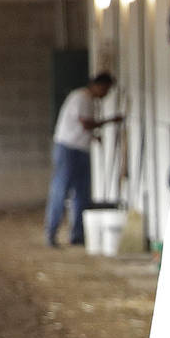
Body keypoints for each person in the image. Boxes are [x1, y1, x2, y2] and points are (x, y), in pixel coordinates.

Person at [44, 72, 123, 247]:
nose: (106, 94)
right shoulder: (81, 98)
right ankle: (51, 233)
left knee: (82, 194)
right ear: (99, 86)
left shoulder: (87, 100)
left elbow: (80, 127)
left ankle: (77, 235)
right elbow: (85, 123)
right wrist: (111, 120)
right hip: (68, 149)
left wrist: (93, 137)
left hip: (80, 149)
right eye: (107, 90)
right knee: (61, 190)